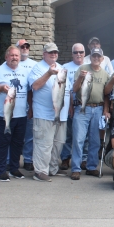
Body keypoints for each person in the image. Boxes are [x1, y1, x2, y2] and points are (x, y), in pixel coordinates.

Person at [0, 46, 29, 181]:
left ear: (20, 57)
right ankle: (1, 171)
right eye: (11, 55)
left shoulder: (26, 71)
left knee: (17, 143)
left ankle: (14, 168)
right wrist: (0, 88)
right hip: (3, 115)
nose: (14, 58)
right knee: (3, 142)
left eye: (16, 55)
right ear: (6, 57)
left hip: (21, 115)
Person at [28, 43, 71, 181]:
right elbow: (35, 86)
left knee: (59, 143)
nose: (53, 54)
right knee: (44, 143)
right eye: (50, 52)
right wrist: (48, 73)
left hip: (60, 115)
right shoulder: (38, 68)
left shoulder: (61, 68)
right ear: (44, 54)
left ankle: (52, 169)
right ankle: (40, 171)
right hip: (44, 114)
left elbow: (67, 90)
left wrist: (70, 106)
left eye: (55, 52)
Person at [70, 48, 111, 180]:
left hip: (98, 109)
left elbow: (106, 95)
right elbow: (74, 89)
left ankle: (91, 167)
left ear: (102, 58)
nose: (96, 58)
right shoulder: (82, 69)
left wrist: (106, 110)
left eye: (98, 56)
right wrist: (81, 77)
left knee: (95, 141)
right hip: (83, 108)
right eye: (94, 56)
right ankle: (76, 168)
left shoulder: (105, 74)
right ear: (90, 57)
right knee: (78, 139)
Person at [60, 43, 88, 171]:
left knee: (84, 135)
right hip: (69, 106)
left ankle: (84, 159)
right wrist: (70, 104)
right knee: (68, 134)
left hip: (85, 106)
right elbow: (64, 88)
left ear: (84, 53)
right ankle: (65, 158)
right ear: (72, 54)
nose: (78, 54)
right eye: (76, 52)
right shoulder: (65, 67)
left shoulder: (89, 66)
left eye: (81, 52)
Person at [15, 39, 36, 171]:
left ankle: (28, 160)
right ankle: (13, 159)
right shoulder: (11, 64)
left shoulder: (35, 65)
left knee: (29, 134)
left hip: (30, 104)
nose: (25, 48)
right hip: (14, 105)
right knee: (14, 135)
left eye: (27, 46)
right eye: (22, 46)